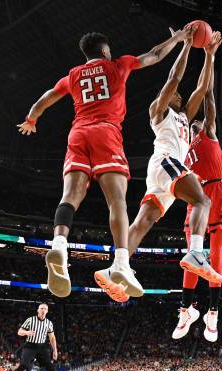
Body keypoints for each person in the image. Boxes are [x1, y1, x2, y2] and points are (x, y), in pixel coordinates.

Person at [17, 28, 193, 300]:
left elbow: (47, 97)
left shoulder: (73, 75)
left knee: (70, 196)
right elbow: (155, 54)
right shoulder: (117, 65)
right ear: (105, 50)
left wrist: (32, 118)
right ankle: (122, 262)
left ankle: (60, 246)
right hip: (105, 133)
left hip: (78, 134)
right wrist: (178, 39)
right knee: (117, 201)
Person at [124, 29, 222, 330]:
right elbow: (174, 80)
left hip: (164, 176)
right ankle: (195, 252)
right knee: (202, 200)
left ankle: (119, 263)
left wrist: (209, 55)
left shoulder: (186, 117)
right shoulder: (159, 111)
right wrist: (184, 45)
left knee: (144, 221)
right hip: (166, 163)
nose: (179, 95)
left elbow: (203, 87)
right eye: (175, 95)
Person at [179, 53, 222, 342]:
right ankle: (186, 308)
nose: (197, 123)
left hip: (217, 190)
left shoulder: (209, 132)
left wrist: (209, 64)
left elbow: (208, 101)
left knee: (214, 253)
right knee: (190, 256)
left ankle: (212, 313)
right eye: (193, 123)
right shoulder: (183, 146)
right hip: (197, 196)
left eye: (198, 122)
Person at [9, 304, 59, 371]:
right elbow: (19, 332)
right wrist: (27, 332)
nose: (43, 310)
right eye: (41, 308)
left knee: (49, 365)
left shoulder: (49, 323)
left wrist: (55, 350)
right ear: (38, 310)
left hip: (42, 346)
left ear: (47, 311)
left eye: (45, 309)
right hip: (30, 345)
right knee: (23, 364)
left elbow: (52, 338)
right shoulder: (30, 320)